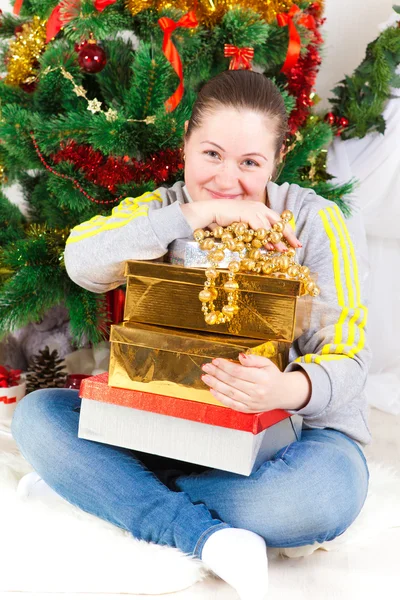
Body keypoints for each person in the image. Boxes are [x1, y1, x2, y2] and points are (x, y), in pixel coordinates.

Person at [12, 70, 370, 600]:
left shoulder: (315, 219)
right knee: (37, 416)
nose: (228, 179)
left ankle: (104, 490)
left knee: (318, 499)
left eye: (250, 163)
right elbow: (81, 261)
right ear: (185, 147)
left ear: (275, 162)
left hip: (289, 443)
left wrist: (285, 389)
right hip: (167, 430)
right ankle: (201, 535)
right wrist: (194, 214)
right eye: (212, 155)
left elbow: (351, 361)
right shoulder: (163, 210)